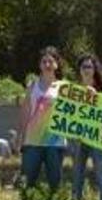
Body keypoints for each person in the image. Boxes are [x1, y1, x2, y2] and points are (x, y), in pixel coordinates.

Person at [16, 47, 66, 190]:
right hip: (32, 141)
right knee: (28, 181)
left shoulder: (64, 87)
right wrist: (20, 136)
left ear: (57, 64)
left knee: (55, 182)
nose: (48, 65)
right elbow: (25, 112)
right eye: (44, 61)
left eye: (51, 61)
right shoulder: (32, 86)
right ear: (40, 65)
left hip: (55, 142)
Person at [71, 55, 102, 200]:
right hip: (80, 139)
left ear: (95, 70)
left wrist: (95, 97)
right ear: (79, 70)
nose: (86, 69)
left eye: (89, 66)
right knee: (77, 174)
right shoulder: (73, 91)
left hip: (98, 139)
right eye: (83, 67)